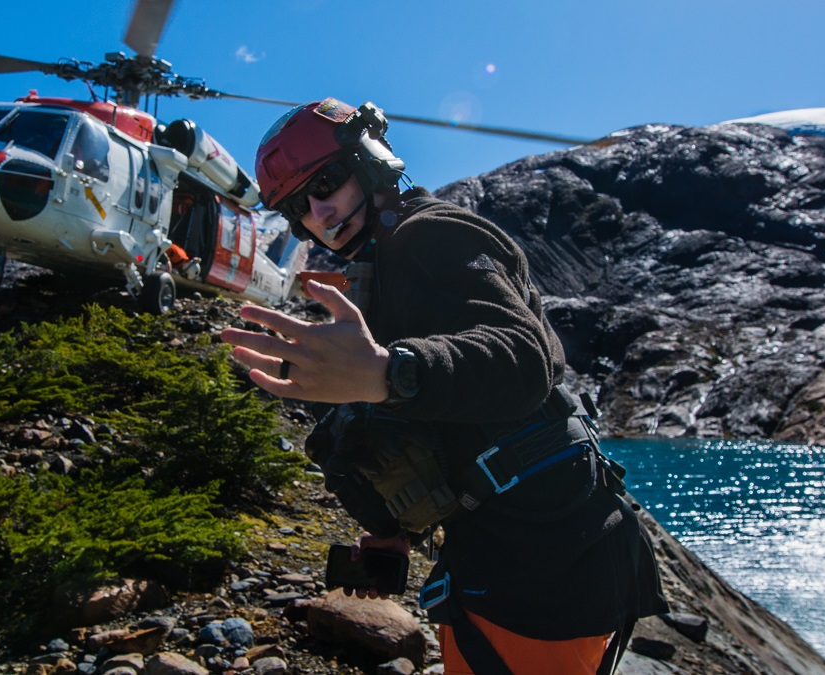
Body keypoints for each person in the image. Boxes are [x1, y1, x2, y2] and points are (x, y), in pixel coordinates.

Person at [220, 98, 667, 674]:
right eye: (295, 207)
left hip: (547, 567)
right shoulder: (381, 267)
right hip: (501, 554)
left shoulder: (433, 234)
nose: (319, 211)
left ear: (372, 160)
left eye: (326, 182)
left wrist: (388, 372)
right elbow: (442, 415)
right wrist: (395, 532)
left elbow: (524, 358)